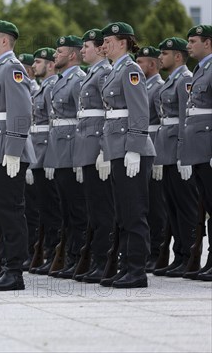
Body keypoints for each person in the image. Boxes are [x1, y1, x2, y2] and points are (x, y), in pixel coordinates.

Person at [0, 20, 36, 291]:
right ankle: (4, 266)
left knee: (11, 211)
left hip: (6, 152)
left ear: (4, 41)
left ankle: (15, 271)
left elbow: (21, 112)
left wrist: (13, 151)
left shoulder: (12, 68)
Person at [99, 22, 156, 288]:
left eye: (108, 40)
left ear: (123, 42)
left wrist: (134, 148)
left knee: (134, 212)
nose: (104, 45)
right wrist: (106, 150)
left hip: (131, 151)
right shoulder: (115, 71)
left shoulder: (131, 70)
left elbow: (139, 111)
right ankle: (126, 267)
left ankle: (137, 270)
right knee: (122, 213)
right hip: (117, 149)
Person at [150, 37, 199, 278]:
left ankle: (190, 256)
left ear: (178, 57)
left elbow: (185, 119)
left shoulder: (185, 80)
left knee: (185, 206)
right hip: (166, 152)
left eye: (165, 54)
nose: (161, 57)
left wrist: (183, 152)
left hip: (177, 152)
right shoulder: (172, 81)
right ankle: (179, 255)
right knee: (172, 207)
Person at [43, 35, 88, 279]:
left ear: (72, 55)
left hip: (72, 151)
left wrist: (81, 157)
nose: (55, 55)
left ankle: (79, 256)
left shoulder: (78, 80)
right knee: (66, 210)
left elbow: (83, 121)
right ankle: (70, 256)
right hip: (59, 152)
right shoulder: (60, 81)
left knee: (78, 210)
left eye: (59, 51)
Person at [72, 29, 114, 283]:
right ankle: (99, 260)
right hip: (87, 150)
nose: (83, 50)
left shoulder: (105, 73)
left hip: (98, 150)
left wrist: (104, 150)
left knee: (103, 210)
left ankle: (104, 260)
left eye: (86, 46)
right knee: (94, 210)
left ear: (100, 49)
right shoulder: (93, 75)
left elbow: (109, 116)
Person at [28, 47, 65, 276]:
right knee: (44, 210)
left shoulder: (53, 88)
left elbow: (55, 127)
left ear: (51, 64)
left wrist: (51, 157)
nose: (35, 66)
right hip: (39, 156)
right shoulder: (44, 88)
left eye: (39, 61)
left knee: (52, 211)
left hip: (48, 155)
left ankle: (54, 254)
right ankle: (49, 254)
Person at [135, 46, 168, 272]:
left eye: (142, 62)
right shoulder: (142, 85)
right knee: (145, 204)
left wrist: (160, 157)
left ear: (152, 65)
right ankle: (149, 252)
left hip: (153, 149)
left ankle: (157, 251)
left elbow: (163, 125)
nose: (137, 66)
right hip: (143, 148)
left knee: (157, 207)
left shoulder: (158, 87)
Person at [184, 24, 212, 282]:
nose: (189, 45)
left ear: (208, 43)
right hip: (198, 148)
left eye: (193, 41)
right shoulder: (200, 69)